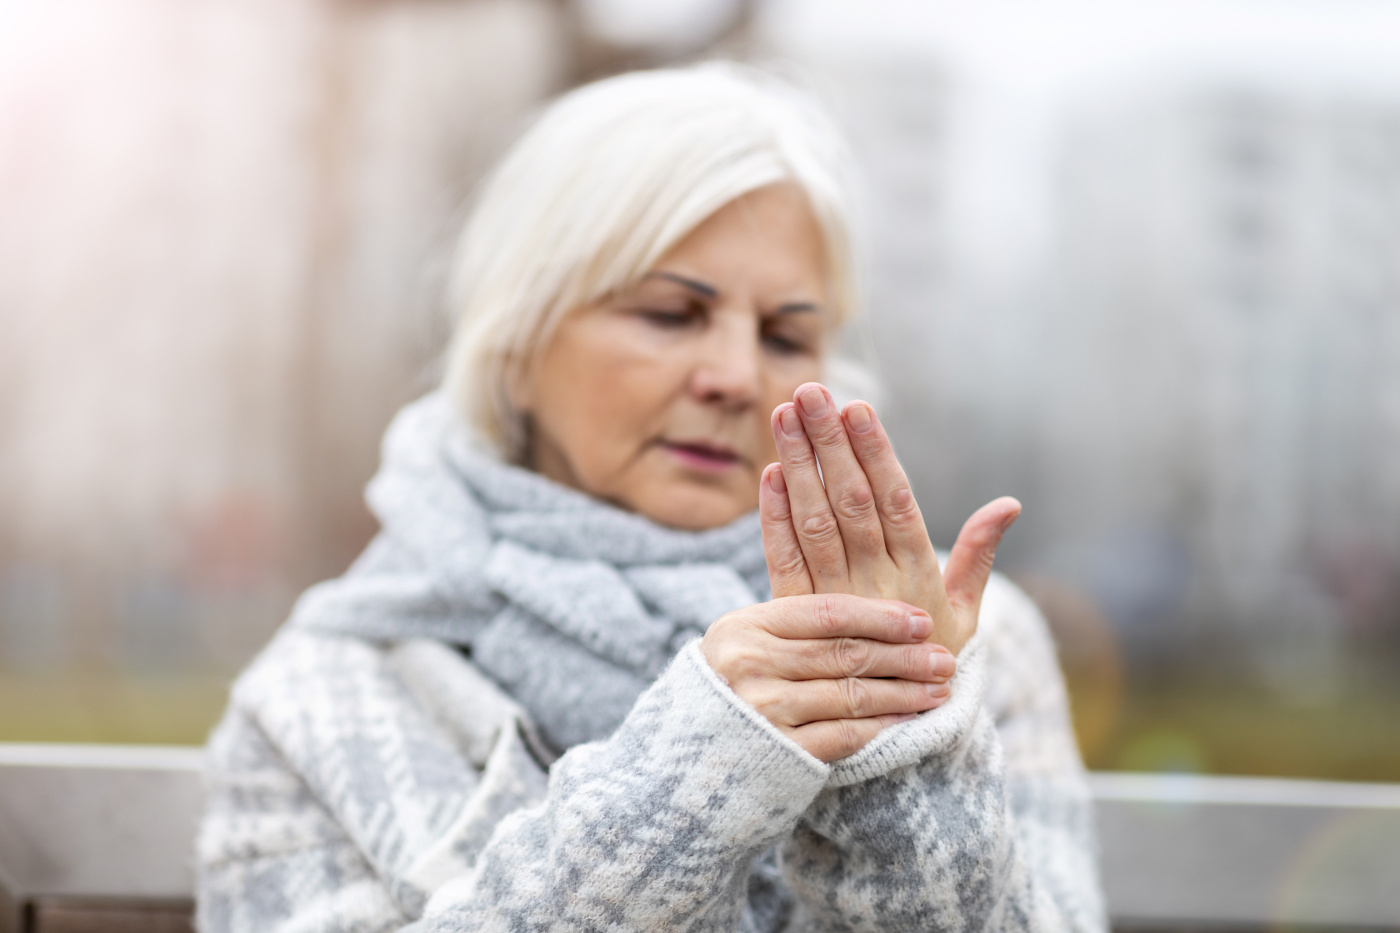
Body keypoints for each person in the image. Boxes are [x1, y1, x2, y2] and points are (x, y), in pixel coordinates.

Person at [196, 64, 1106, 932]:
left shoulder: (961, 642)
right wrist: (694, 776)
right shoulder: (321, 700)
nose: (736, 376)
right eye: (671, 314)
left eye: (788, 334)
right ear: (517, 342)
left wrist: (903, 747)